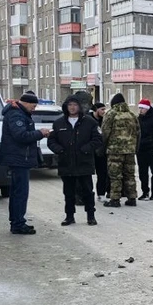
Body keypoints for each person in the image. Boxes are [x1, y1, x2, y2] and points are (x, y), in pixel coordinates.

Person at [47, 94, 103, 226]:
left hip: (84, 163)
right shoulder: (58, 123)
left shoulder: (89, 122)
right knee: (69, 192)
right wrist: (59, 150)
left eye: (75, 105)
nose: (72, 107)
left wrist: (86, 149)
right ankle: (69, 216)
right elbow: (51, 141)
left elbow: (98, 140)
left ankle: (91, 216)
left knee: (87, 191)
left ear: (79, 107)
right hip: (66, 163)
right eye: (70, 105)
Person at [0, 91, 49, 235]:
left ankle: (17, 221)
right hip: (19, 159)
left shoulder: (19, 113)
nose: (34, 109)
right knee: (20, 193)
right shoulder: (16, 115)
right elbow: (21, 136)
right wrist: (40, 133)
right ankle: (18, 223)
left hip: (20, 158)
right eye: (33, 106)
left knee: (18, 192)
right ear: (26, 103)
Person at [102, 93, 139, 208]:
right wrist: (135, 148)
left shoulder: (111, 114)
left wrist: (102, 147)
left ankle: (115, 199)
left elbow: (105, 132)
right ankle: (132, 198)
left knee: (115, 176)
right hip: (130, 150)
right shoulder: (132, 115)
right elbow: (138, 133)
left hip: (114, 151)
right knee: (130, 175)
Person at [90, 102, 110, 199]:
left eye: (104, 109)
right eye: (102, 109)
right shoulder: (88, 120)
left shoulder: (105, 121)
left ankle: (101, 194)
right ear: (96, 110)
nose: (104, 111)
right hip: (90, 151)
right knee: (87, 174)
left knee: (102, 173)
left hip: (101, 152)